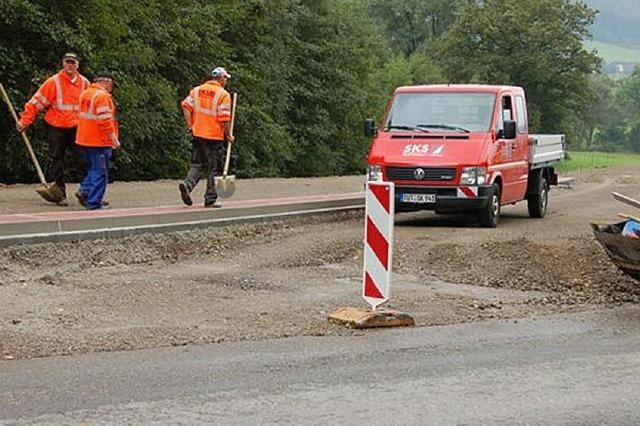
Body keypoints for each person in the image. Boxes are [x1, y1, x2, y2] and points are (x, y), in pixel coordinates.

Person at [17, 53, 90, 206]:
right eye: (67, 62)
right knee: (57, 159)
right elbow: (36, 103)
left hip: (77, 127)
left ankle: (86, 193)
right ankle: (60, 194)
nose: (70, 65)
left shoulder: (85, 83)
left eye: (73, 62)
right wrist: (25, 121)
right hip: (56, 126)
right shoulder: (53, 82)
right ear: (63, 63)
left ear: (78, 65)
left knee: (82, 160)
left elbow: (91, 106)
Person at [179, 66, 235, 208]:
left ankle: (187, 184)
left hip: (198, 133)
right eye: (225, 78)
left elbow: (185, 106)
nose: (226, 81)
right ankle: (210, 199)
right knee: (214, 168)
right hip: (214, 136)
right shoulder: (223, 94)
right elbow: (224, 118)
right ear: (221, 79)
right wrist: (228, 135)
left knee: (197, 164)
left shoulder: (196, 90)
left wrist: (190, 125)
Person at [74, 71, 120, 210]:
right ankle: (94, 203)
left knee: (93, 168)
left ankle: (85, 190)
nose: (111, 88)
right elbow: (105, 121)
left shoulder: (85, 93)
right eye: (112, 84)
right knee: (100, 173)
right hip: (99, 140)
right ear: (106, 82)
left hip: (84, 138)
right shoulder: (102, 96)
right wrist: (114, 139)